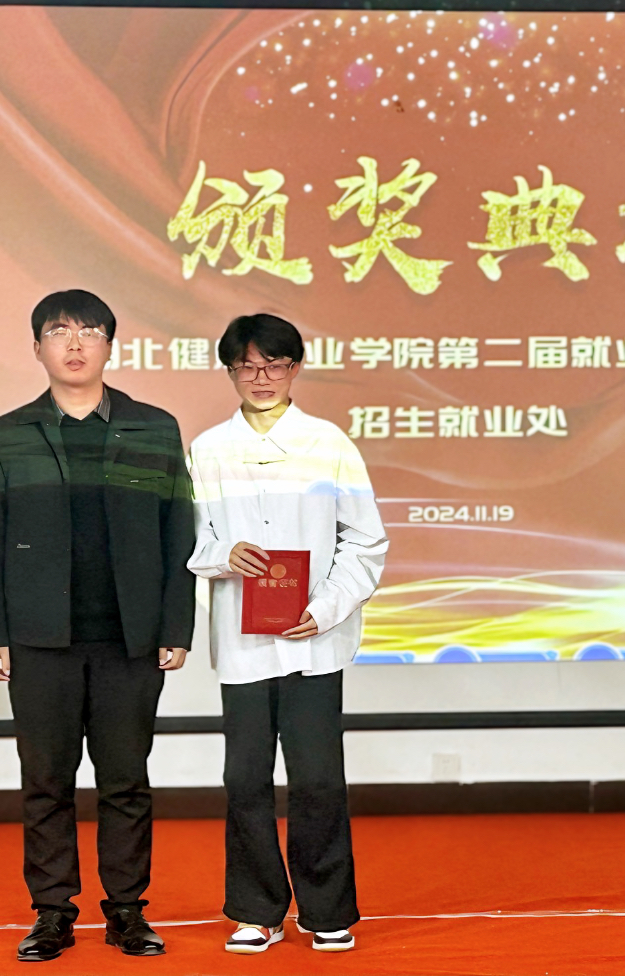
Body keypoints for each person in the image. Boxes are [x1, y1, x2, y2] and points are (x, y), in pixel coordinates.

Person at [0, 289, 195, 962]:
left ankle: (127, 910)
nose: (74, 343)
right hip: (39, 639)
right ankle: (51, 913)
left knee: (126, 781)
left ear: (110, 346)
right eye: (59, 331)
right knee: (46, 782)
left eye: (89, 331)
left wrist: (176, 625)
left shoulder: (153, 427)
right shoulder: (9, 432)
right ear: (37, 347)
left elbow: (177, 534)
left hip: (130, 638)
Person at [185, 313, 387, 955]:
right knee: (245, 778)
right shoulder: (207, 450)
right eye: (246, 366)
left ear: (295, 367)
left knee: (318, 778)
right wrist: (222, 554)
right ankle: (256, 910)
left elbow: (366, 540)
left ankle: (326, 911)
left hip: (314, 638)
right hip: (243, 643)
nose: (261, 377)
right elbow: (188, 538)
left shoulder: (330, 444)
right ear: (230, 372)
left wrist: (326, 609)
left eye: (274, 364)